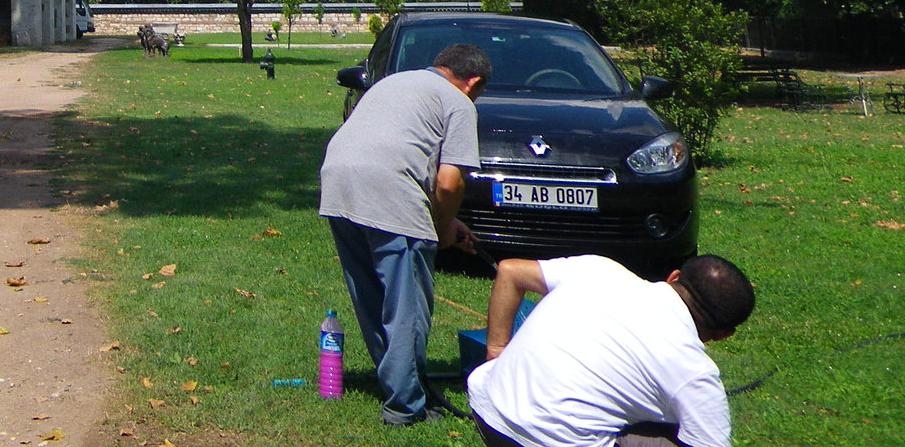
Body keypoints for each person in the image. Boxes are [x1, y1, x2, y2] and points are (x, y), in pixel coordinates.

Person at [319, 41, 490, 426]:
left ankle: (397, 383)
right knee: (405, 305)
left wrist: (444, 222)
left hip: (339, 183)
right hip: (389, 191)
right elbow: (449, 184)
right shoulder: (459, 103)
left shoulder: (394, 82)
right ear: (473, 82)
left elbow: (399, 149)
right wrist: (442, 226)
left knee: (371, 298)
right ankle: (406, 407)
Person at [467, 253, 755, 447]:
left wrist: (496, 351)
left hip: (489, 410)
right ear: (724, 334)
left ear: (673, 276)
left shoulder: (600, 269)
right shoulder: (696, 374)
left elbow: (510, 271)